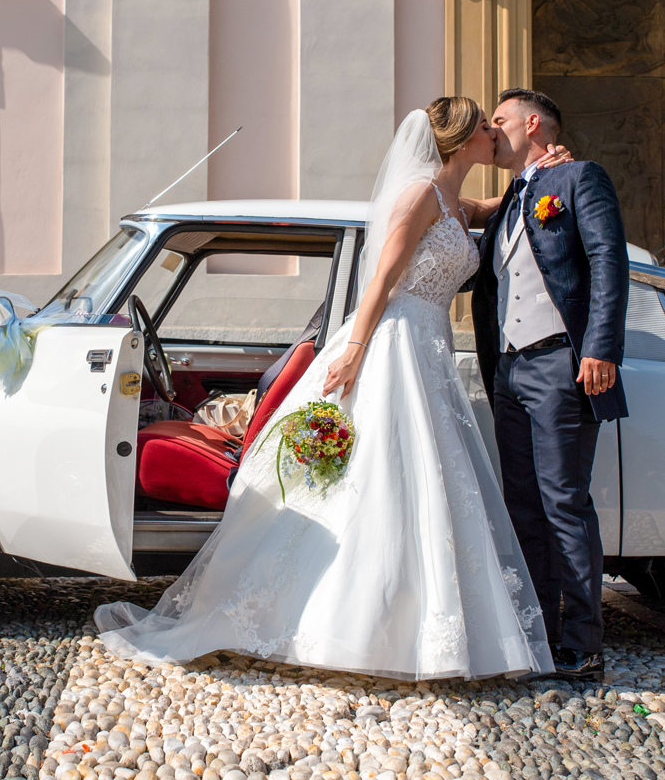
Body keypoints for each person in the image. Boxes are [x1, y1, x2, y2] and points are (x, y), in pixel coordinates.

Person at [95, 98, 570, 679]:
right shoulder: (421, 195)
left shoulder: (451, 198)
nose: (495, 136)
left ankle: (410, 625)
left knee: (420, 480)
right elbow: (384, 277)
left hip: (429, 349)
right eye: (485, 129)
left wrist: (543, 171)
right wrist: (355, 348)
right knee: (379, 477)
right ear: (463, 140)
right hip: (395, 340)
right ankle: (345, 623)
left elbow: (491, 205)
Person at [468, 88, 630, 683]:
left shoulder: (579, 178)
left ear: (532, 123)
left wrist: (601, 348)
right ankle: (539, 634)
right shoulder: (512, 198)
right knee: (523, 505)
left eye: (500, 120)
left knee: (564, 501)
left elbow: (609, 259)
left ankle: (584, 646)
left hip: (562, 363)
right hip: (509, 370)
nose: (492, 129)